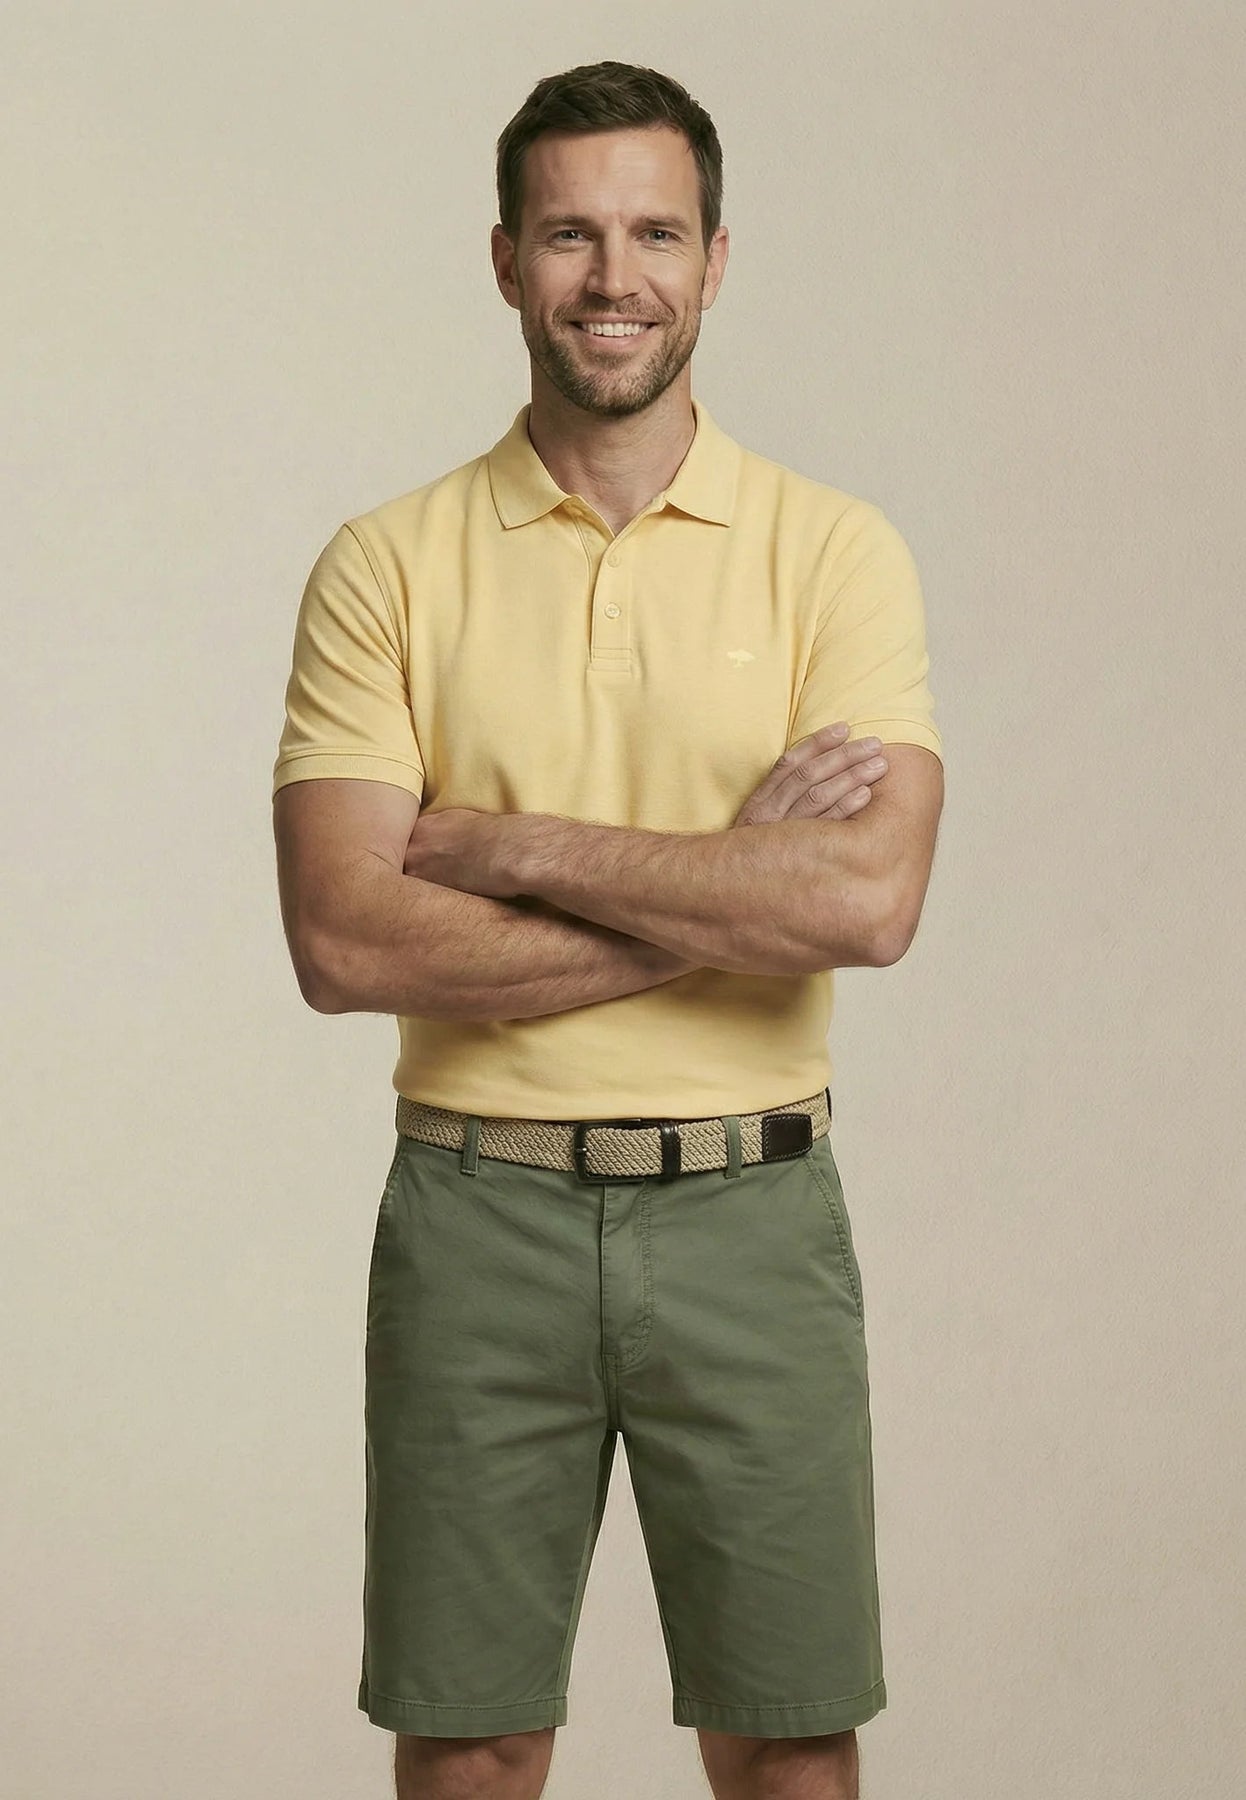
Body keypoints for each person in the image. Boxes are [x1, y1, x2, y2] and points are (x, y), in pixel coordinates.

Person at [272, 58, 943, 1800]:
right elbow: (346, 943)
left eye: (653, 232)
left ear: (715, 259)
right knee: (474, 1744)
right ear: (506, 260)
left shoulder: (834, 552)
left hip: (753, 1213)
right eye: (569, 233)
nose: (611, 275)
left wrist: (504, 846)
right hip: (474, 1214)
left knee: (786, 1740)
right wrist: (729, 888)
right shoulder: (386, 563)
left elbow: (866, 902)